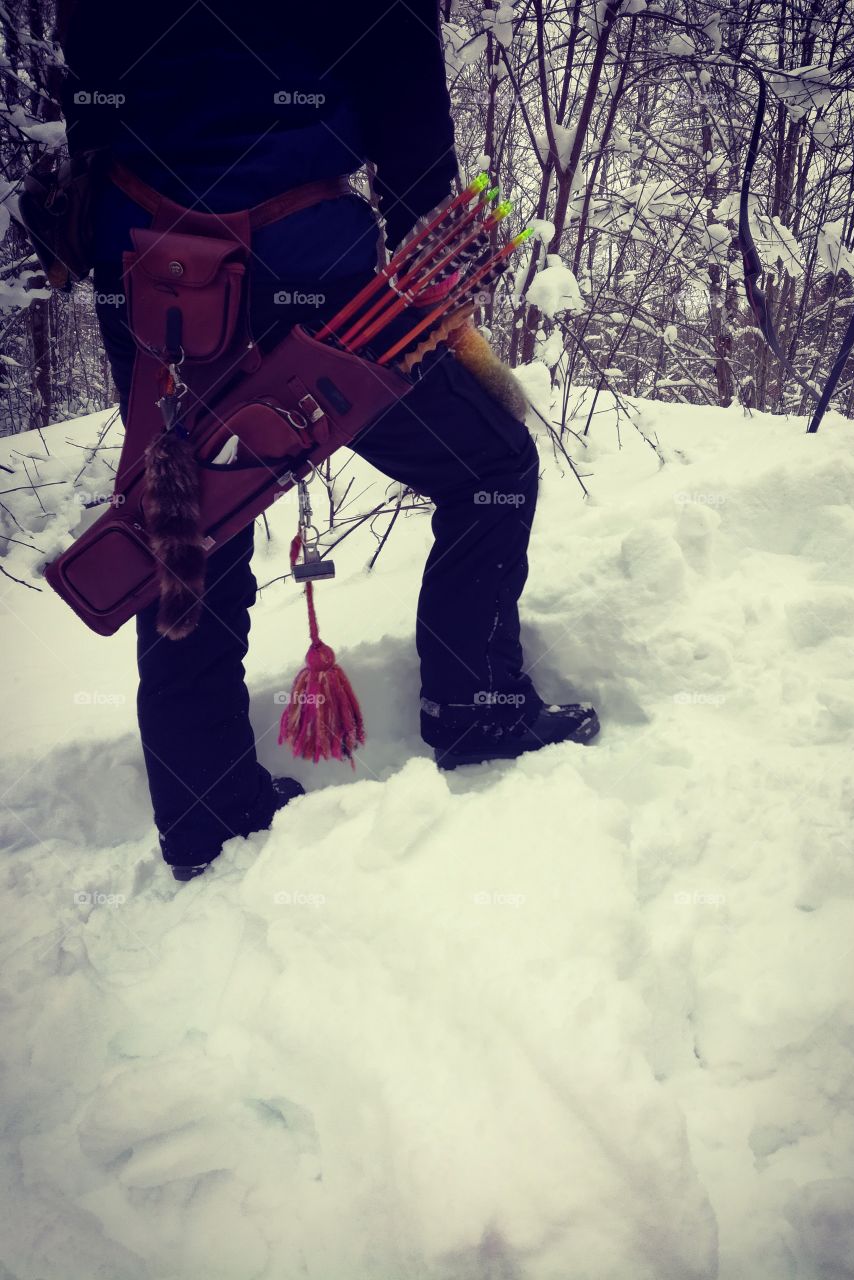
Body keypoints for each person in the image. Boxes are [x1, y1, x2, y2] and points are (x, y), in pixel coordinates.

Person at [51, 0, 599, 881]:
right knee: (492, 464)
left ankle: (208, 817)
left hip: (148, 260)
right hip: (303, 267)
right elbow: (405, 98)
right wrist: (435, 269)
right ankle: (476, 709)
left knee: (193, 513)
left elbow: (89, 78)